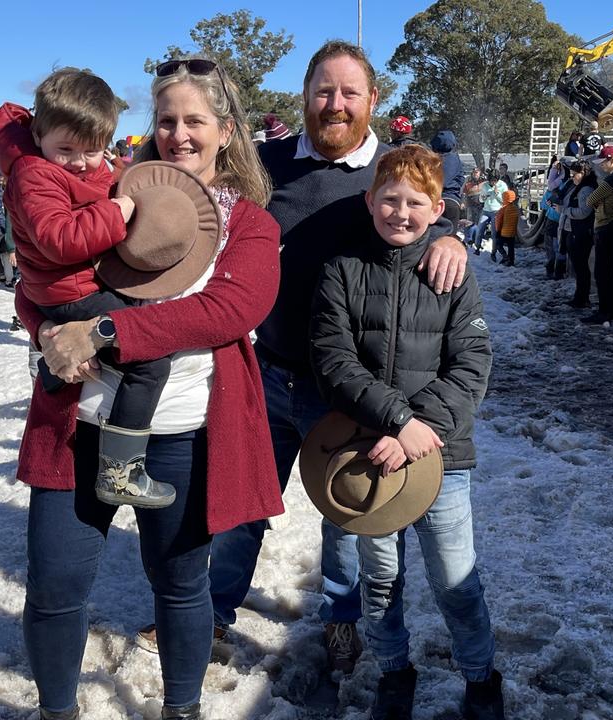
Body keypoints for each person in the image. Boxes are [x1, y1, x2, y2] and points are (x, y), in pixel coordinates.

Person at [7, 57, 284, 720]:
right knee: (54, 585)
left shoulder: (250, 225)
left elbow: (227, 312)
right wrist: (44, 327)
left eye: (195, 120)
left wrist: (102, 331)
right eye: (167, 120)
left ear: (225, 130)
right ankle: (56, 711)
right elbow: (44, 272)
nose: (179, 134)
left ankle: (180, 708)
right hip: (78, 429)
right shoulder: (112, 196)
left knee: (183, 585)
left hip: (184, 437)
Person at [195, 40, 468, 675]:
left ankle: (340, 622)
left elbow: (423, 209)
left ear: (374, 100)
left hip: (348, 385)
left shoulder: (387, 175)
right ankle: (211, 612)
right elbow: (190, 189)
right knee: (242, 506)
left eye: (349, 92)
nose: (335, 104)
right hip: (266, 368)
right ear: (305, 97)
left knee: (346, 513)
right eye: (324, 90)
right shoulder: (265, 166)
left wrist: (452, 237)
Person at [308, 144, 503, 720]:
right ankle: (395, 670)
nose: (400, 211)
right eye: (389, 199)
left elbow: (472, 365)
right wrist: (397, 421)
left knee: (455, 581)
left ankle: (481, 678)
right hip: (367, 451)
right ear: (369, 201)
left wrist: (422, 428)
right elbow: (332, 359)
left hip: (442, 458)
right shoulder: (342, 270)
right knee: (380, 579)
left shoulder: (452, 274)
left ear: (436, 207)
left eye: (415, 202)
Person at [0, 68, 178, 508]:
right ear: (39, 135)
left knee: (128, 320)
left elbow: (98, 180)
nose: (79, 161)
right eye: (66, 149)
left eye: (92, 150)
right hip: (70, 290)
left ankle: (55, 372)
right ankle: (121, 470)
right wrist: (120, 210)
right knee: (149, 357)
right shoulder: (34, 173)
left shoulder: (65, 165)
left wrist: (122, 177)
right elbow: (61, 240)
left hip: (66, 289)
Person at [582, 145, 613, 323]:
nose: (601, 166)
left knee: (603, 271)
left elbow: (590, 199)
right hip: (610, 225)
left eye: (603, 162)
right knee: (605, 270)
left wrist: (598, 204)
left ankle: (605, 311)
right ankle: (608, 309)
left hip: (606, 225)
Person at [559, 160, 596, 305]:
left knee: (581, 266)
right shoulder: (578, 187)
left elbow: (584, 212)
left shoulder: (586, 189)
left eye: (575, 174)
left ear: (583, 173)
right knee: (578, 266)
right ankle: (579, 296)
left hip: (581, 232)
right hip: (574, 230)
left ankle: (582, 297)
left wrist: (565, 211)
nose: (572, 177)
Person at [430, 129, 464, 225]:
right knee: (449, 237)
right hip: (452, 201)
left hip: (435, 201)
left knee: (431, 237)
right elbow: (461, 179)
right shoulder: (456, 159)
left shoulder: (431, 160)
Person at [492, 189, 519, 266]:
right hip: (512, 233)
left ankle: (505, 257)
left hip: (503, 232)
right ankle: (511, 261)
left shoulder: (503, 209)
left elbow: (498, 221)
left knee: (499, 245)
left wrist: (498, 231)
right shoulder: (515, 208)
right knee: (511, 247)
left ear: (504, 198)